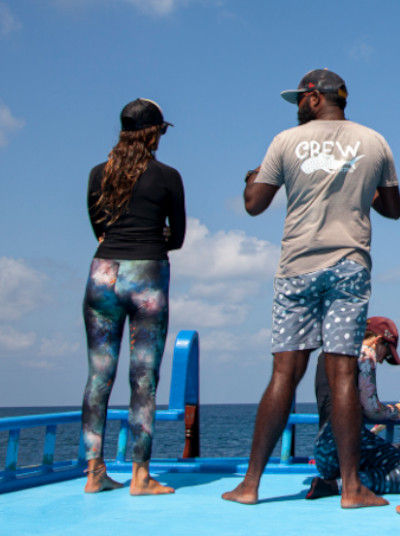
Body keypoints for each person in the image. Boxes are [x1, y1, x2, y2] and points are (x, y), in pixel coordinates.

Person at [222, 69, 400, 508]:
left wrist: (252, 178)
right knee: (342, 372)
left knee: (284, 372)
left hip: (298, 267)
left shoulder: (285, 142)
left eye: (300, 98)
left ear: (317, 98)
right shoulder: (374, 141)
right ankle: (353, 488)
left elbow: (253, 205)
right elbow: (395, 208)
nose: (297, 106)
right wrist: (359, 190)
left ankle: (249, 485)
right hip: (349, 266)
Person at [81, 98, 186, 495]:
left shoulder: (97, 175)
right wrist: (150, 237)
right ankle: (140, 476)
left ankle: (94, 473)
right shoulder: (168, 176)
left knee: (98, 377)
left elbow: (98, 228)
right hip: (147, 276)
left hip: (103, 274)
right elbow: (176, 237)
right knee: (143, 379)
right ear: (155, 133)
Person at [306, 316, 400, 500]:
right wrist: (395, 411)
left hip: (325, 452)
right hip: (348, 445)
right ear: (378, 340)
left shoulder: (327, 353)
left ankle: (334, 482)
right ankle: (336, 486)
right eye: (386, 353)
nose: (381, 360)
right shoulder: (365, 354)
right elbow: (372, 410)